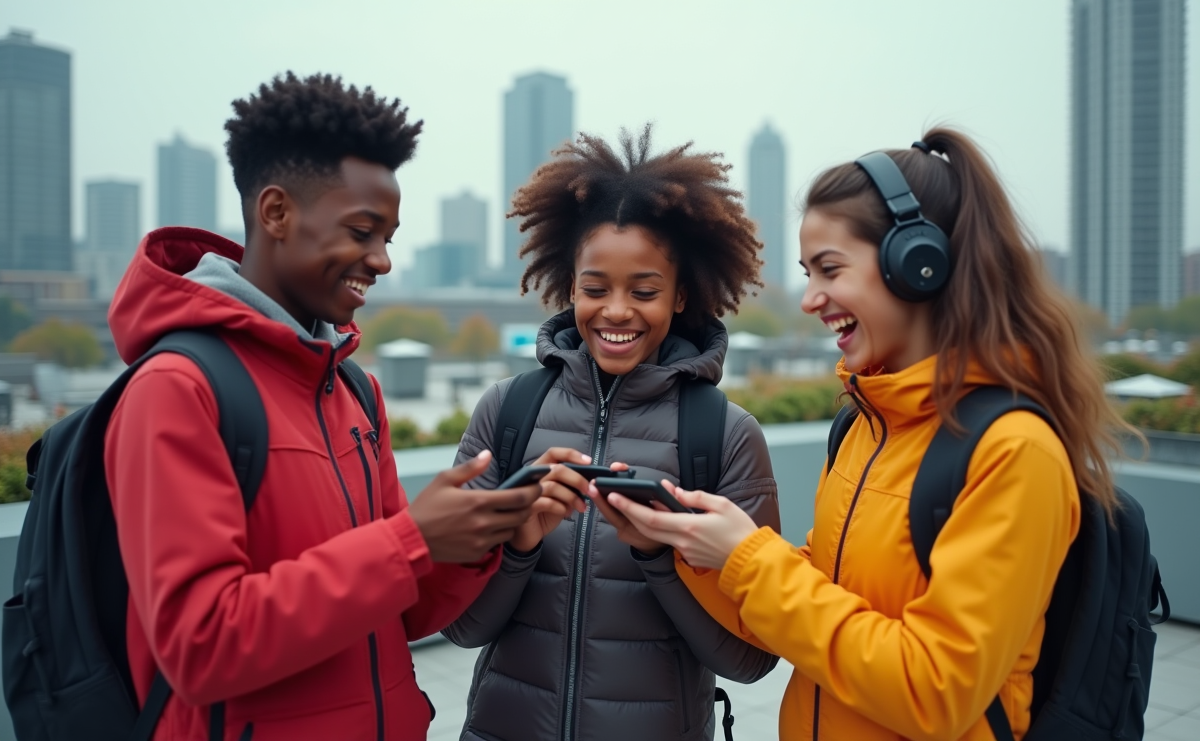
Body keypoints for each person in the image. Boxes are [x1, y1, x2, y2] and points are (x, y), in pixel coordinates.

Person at [609, 128, 1131, 741]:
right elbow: (812, 602)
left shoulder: (1015, 452)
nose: (809, 299)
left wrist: (748, 560)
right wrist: (686, 546)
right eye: (808, 273)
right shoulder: (864, 424)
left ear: (919, 264)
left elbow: (935, 690)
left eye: (829, 269)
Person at [104, 72, 544, 741]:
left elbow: (399, 613)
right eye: (364, 232)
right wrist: (411, 541)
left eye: (389, 238)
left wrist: (486, 537)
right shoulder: (176, 388)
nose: (383, 261)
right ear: (276, 212)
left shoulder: (353, 389)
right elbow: (201, 646)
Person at [441, 127, 781, 741]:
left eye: (644, 291)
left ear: (680, 296)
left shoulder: (725, 436)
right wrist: (517, 546)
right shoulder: (506, 411)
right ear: (569, 287)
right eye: (595, 289)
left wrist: (659, 556)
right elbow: (463, 628)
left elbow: (750, 659)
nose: (616, 311)